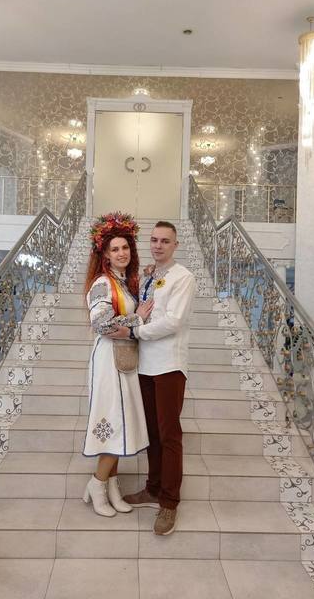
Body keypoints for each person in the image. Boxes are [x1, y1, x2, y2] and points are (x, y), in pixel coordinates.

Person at [109, 220, 196, 535]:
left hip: (169, 365)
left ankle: (169, 503)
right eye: (155, 240)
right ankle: (153, 488)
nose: (158, 245)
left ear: (176, 245)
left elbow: (173, 321)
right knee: (152, 434)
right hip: (144, 365)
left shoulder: (183, 277)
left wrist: (134, 331)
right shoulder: (149, 275)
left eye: (165, 241)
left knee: (169, 435)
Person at [82, 212, 153, 517]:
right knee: (114, 421)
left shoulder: (123, 282)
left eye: (125, 248)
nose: (121, 253)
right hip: (109, 361)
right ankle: (97, 484)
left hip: (124, 359)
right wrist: (138, 318)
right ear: (105, 255)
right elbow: (100, 324)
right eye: (115, 249)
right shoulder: (103, 282)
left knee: (121, 422)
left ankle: (112, 487)